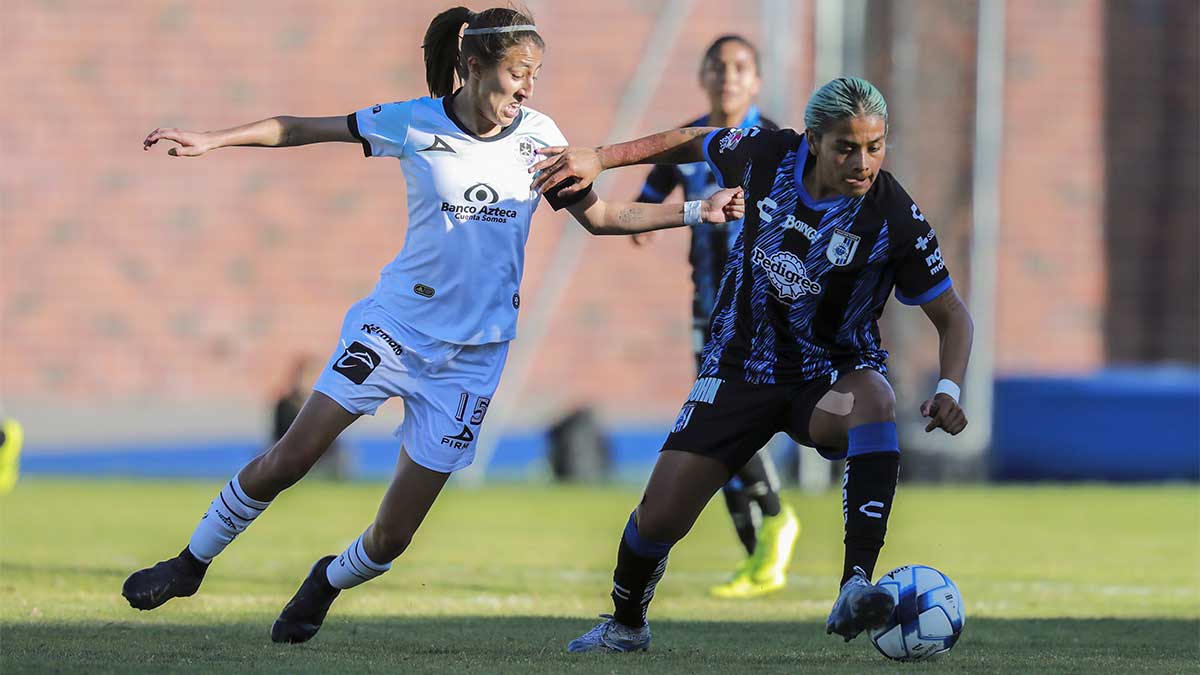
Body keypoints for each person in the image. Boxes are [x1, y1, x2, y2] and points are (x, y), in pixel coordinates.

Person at [122, 5, 745, 645]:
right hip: (393, 328)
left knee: (392, 537)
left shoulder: (540, 137)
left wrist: (699, 210)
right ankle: (190, 563)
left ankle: (326, 582)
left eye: (535, 75)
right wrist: (214, 139)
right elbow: (299, 128)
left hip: (474, 357)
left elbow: (606, 217)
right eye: (518, 73)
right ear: (474, 67)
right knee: (293, 456)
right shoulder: (413, 121)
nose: (528, 89)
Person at [530, 76, 973, 653]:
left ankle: (854, 583)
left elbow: (953, 315)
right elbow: (694, 139)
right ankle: (627, 624)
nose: (862, 162)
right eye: (846, 147)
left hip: (827, 383)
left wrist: (950, 386)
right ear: (813, 141)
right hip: (738, 370)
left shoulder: (896, 216)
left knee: (877, 399)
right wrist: (601, 158)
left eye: (875, 146)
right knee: (658, 519)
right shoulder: (766, 156)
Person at [632, 34, 799, 599]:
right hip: (707, 305)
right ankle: (758, 557)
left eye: (740, 68)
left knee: (726, 418)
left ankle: (775, 519)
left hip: (761, 309)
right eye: (717, 67)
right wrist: (647, 224)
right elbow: (649, 193)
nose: (727, 77)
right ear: (703, 77)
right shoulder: (691, 141)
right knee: (714, 423)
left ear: (755, 81)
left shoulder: (776, 142)